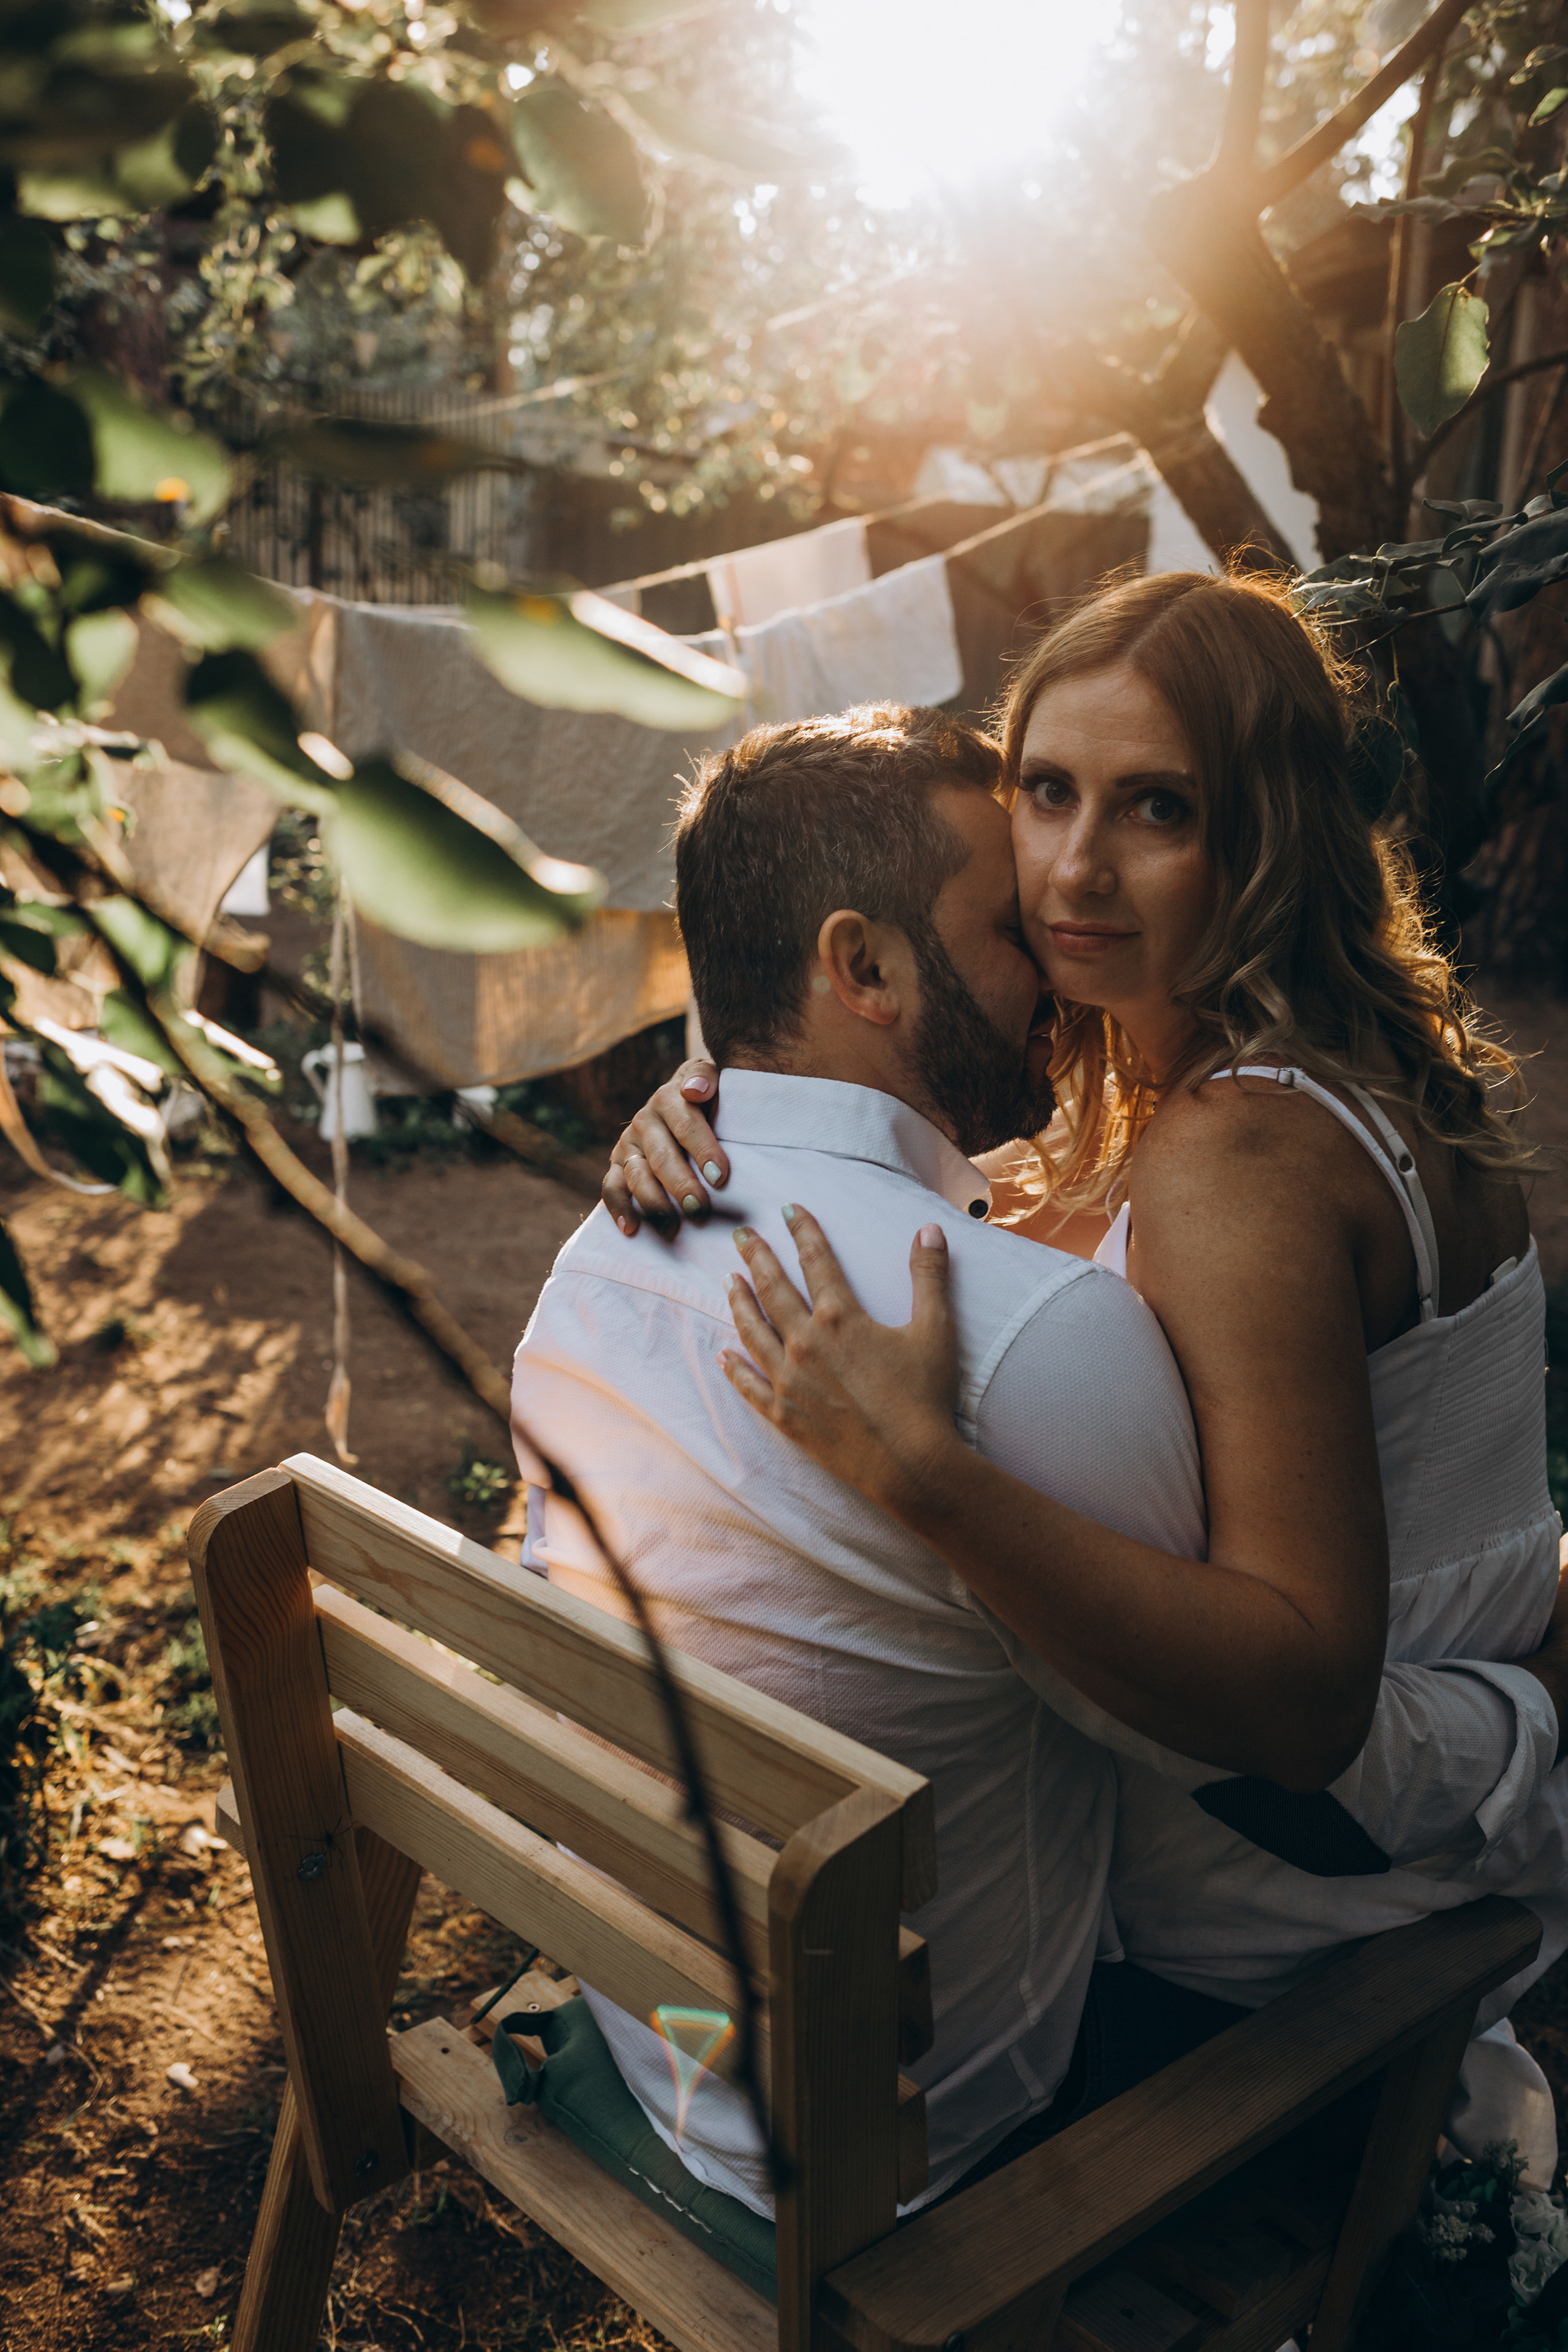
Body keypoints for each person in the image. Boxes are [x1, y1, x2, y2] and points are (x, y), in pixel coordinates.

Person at [519, 698, 1568, 2223]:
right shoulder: (1037, 1339)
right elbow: (1260, 1751)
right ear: (862, 966)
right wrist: (1530, 1706)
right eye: (1008, 921)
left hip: (681, 2027)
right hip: (937, 2128)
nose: (1059, 944)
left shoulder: (599, 1259)